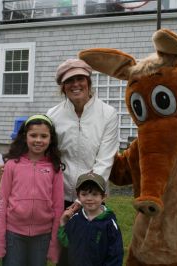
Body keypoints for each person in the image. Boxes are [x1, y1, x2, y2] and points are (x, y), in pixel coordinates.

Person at [47, 58, 120, 265]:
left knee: (91, 253)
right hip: (59, 195)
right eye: (69, 80)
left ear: (89, 81)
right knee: (64, 252)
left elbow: (104, 161)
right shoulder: (53, 115)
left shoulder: (108, 114)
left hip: (91, 197)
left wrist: (82, 199)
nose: (75, 84)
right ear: (63, 86)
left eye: (80, 78)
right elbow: (46, 153)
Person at [0, 114, 64, 266]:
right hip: (13, 234)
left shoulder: (55, 168)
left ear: (51, 139)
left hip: (43, 235)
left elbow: (58, 207)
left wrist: (54, 244)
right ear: (25, 137)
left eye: (44, 136)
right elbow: (1, 201)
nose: (38, 140)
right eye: (33, 135)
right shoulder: (11, 165)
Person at [58, 172, 124, 266]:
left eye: (94, 194)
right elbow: (67, 242)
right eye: (84, 194)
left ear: (103, 197)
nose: (89, 198)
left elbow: (116, 255)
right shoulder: (75, 220)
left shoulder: (109, 224)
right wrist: (63, 223)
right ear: (78, 197)